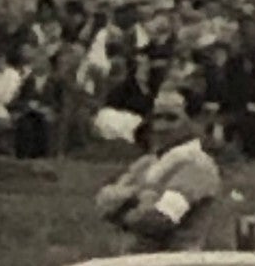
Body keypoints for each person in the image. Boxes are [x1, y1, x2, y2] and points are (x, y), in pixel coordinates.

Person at [95, 85, 224, 253]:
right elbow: (102, 202)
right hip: (131, 265)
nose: (161, 127)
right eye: (157, 118)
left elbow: (160, 219)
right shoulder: (148, 162)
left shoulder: (198, 166)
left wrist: (120, 211)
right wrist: (139, 196)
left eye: (171, 118)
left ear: (195, 121)